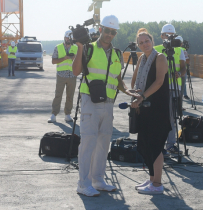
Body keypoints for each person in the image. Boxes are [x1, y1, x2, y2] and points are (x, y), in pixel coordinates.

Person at [72, 14, 130, 197]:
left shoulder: (117, 54)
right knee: (88, 141)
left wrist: (128, 91)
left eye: (113, 32)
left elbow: (118, 79)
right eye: (107, 30)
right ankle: (83, 183)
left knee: (104, 143)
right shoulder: (88, 49)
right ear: (100, 30)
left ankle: (97, 180)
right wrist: (80, 47)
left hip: (108, 103)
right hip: (90, 101)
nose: (110, 34)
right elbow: (75, 71)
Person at [128, 28, 171, 195]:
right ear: (138, 45)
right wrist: (135, 94)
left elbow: (159, 82)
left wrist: (142, 96)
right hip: (144, 108)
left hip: (157, 109)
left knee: (156, 146)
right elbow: (134, 80)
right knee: (145, 145)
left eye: (147, 41)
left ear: (152, 42)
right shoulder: (141, 59)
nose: (144, 44)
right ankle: (152, 179)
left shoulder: (160, 58)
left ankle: (158, 184)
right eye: (141, 43)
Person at [153, 24, 185, 150]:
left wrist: (179, 73)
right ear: (162, 36)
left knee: (172, 118)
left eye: (171, 35)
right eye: (167, 35)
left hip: (174, 87)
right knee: (159, 116)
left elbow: (183, 68)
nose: (169, 38)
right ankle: (159, 144)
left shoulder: (179, 50)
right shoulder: (155, 49)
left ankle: (171, 144)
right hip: (160, 87)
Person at [50, 30, 78, 124]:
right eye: (66, 38)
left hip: (72, 75)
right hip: (61, 75)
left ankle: (67, 115)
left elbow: (80, 61)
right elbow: (53, 61)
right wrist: (64, 58)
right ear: (64, 38)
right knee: (58, 95)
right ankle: (54, 114)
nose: (68, 40)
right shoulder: (58, 47)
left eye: (69, 38)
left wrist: (74, 58)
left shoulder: (76, 48)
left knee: (70, 96)